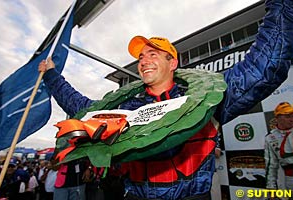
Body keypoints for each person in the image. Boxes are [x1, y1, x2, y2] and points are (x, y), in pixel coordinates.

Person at [38, 0, 293, 199]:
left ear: (173, 63)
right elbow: (83, 110)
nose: (144, 60)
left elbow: (266, 66)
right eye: (140, 57)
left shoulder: (206, 99)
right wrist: (51, 75)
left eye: (153, 54)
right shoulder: (127, 108)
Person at [264, 102, 293, 199]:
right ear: (277, 118)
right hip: (290, 179)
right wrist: (271, 187)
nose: (291, 119)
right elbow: (271, 165)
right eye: (288, 116)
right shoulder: (270, 137)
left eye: (292, 115)